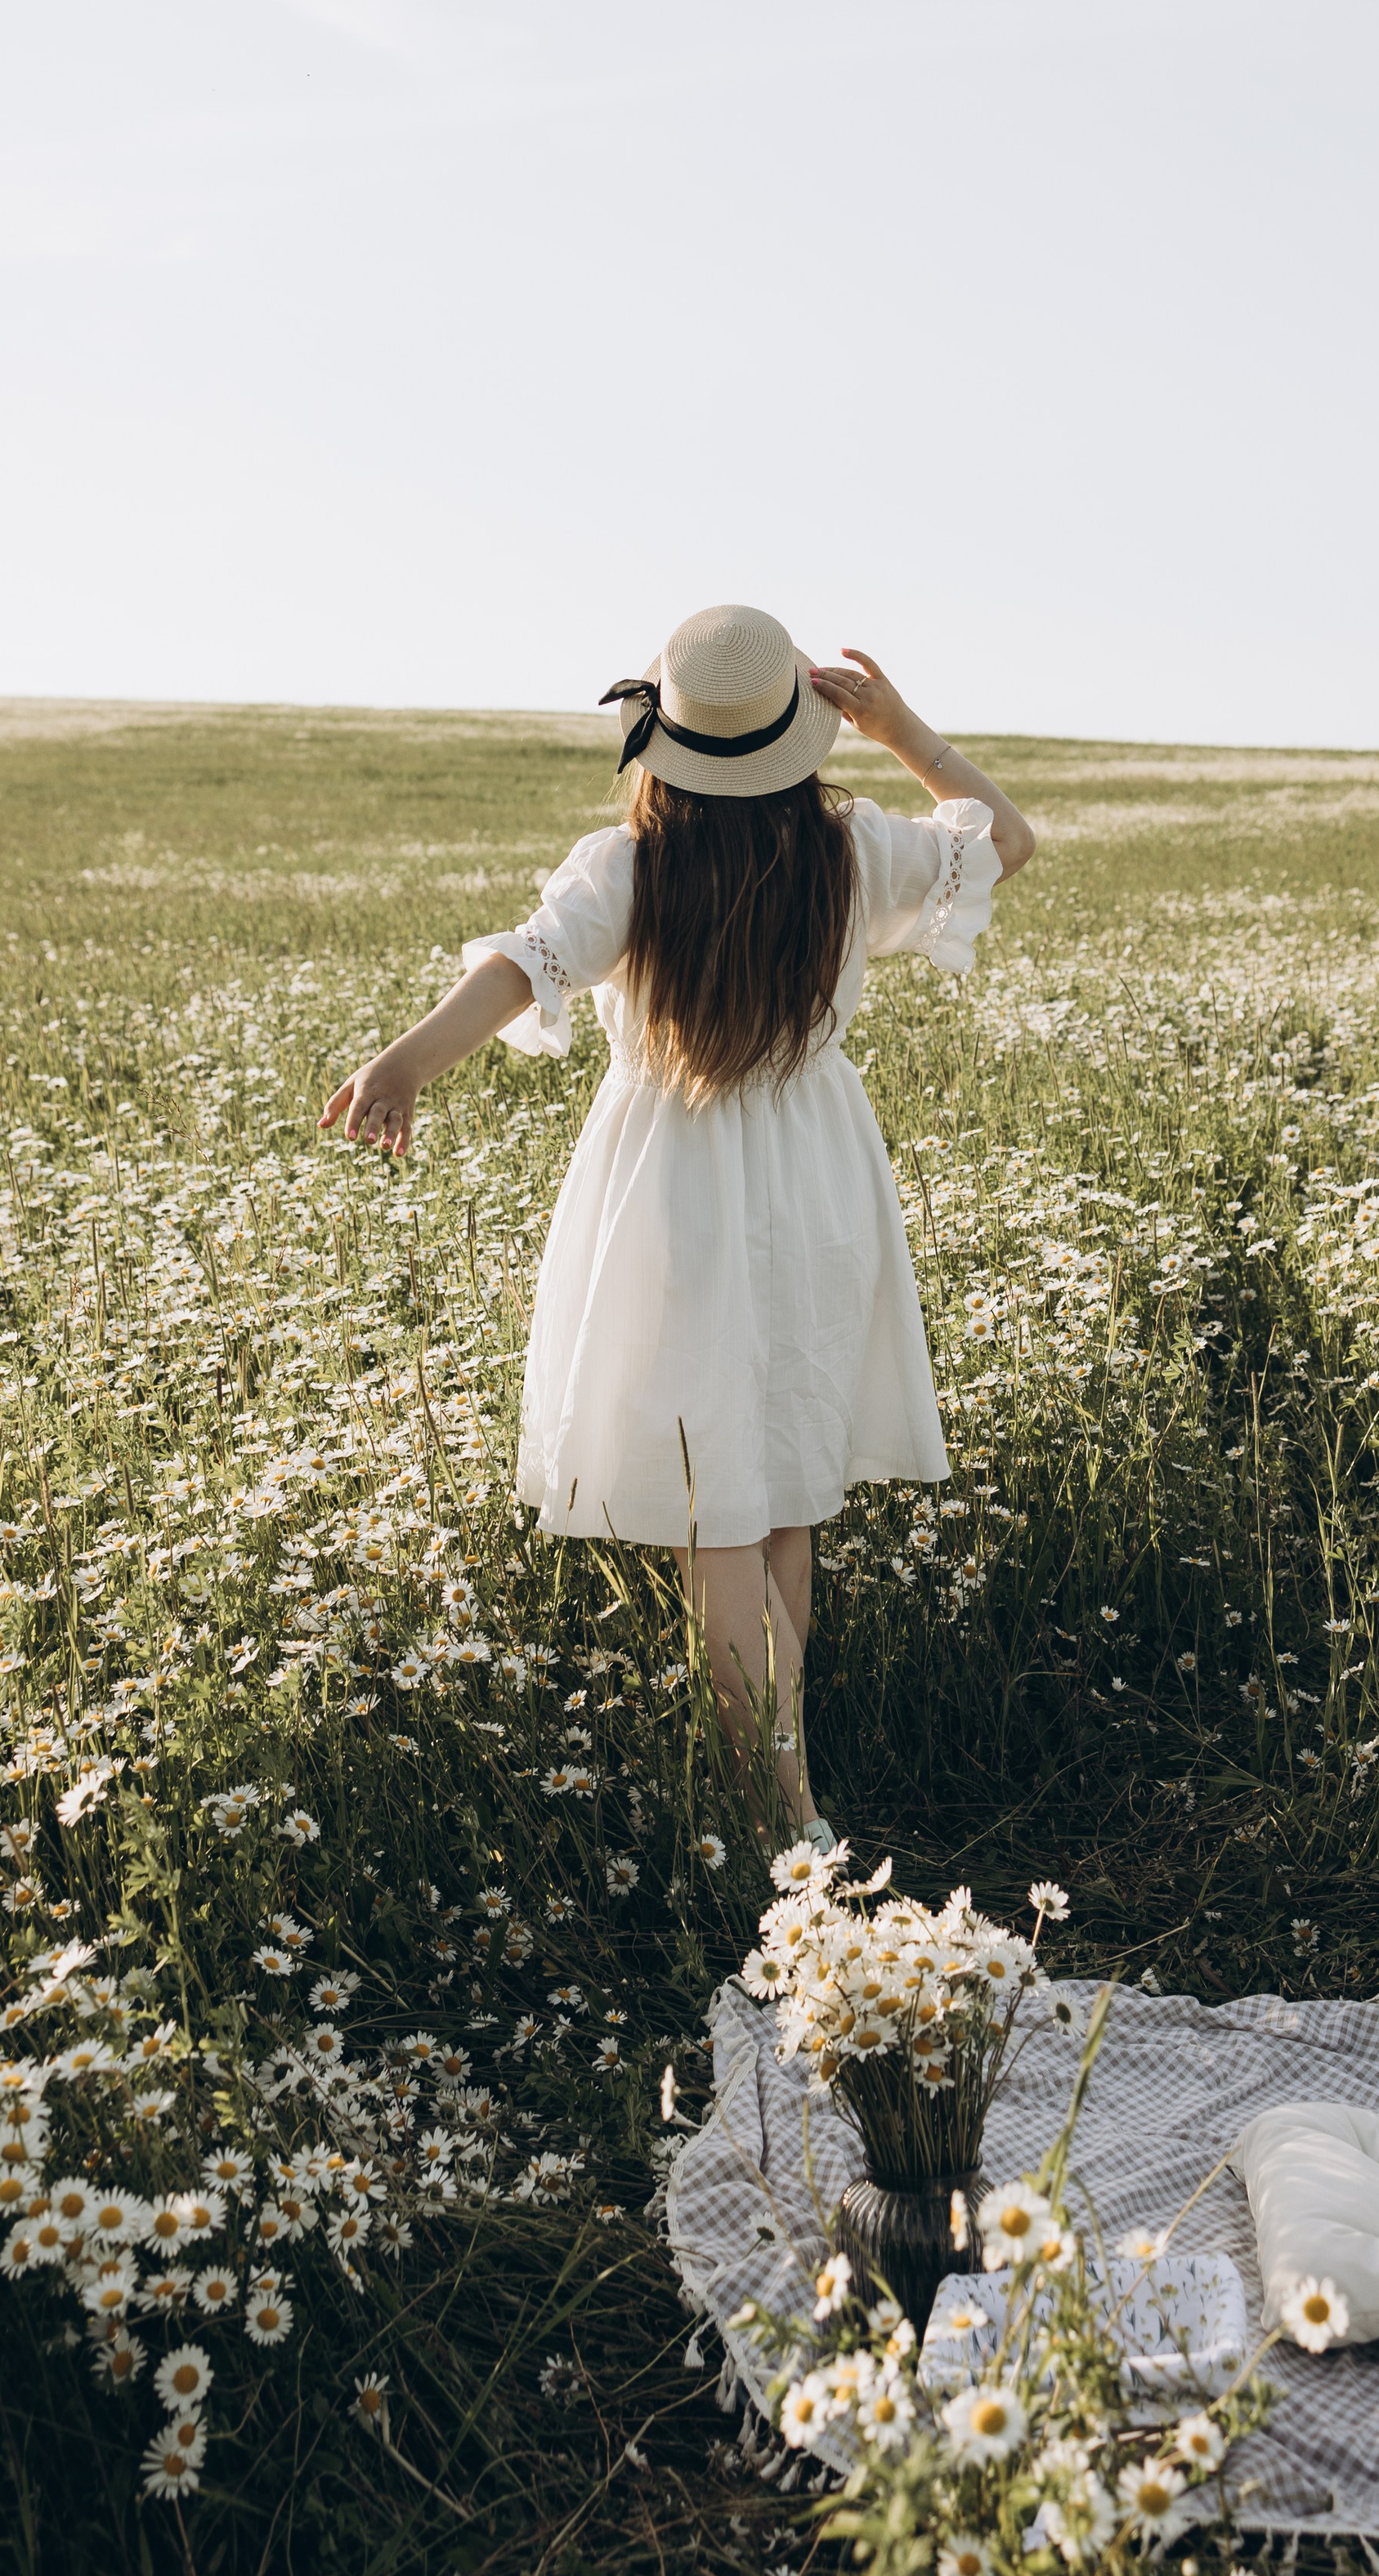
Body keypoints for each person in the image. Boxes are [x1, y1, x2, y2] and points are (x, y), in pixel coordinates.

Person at [321, 604, 1033, 1842]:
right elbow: (1004, 839)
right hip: (817, 1184)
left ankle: (780, 1814)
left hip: (673, 1195)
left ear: (665, 743)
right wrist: (903, 727)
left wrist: (404, 1064)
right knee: (783, 1482)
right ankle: (786, 1783)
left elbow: (522, 969)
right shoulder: (852, 849)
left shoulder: (629, 868)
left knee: (715, 1499)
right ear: (801, 739)